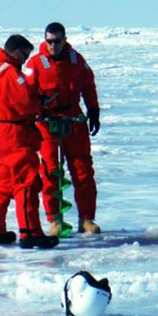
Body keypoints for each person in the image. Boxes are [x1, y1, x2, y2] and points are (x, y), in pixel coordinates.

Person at [0, 34, 58, 249]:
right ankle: (30, 233)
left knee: (2, 185)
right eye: (24, 54)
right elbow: (24, 104)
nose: (24, 60)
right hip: (12, 135)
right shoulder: (10, 73)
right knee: (27, 182)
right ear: (14, 51)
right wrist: (40, 102)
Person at [26, 22, 101, 236]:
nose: (53, 45)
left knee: (83, 171)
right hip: (47, 123)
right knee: (51, 172)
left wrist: (93, 110)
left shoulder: (77, 61)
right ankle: (55, 220)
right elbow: (27, 93)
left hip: (74, 122)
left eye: (57, 41)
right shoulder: (35, 64)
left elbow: (89, 85)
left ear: (64, 39)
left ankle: (86, 219)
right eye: (49, 41)